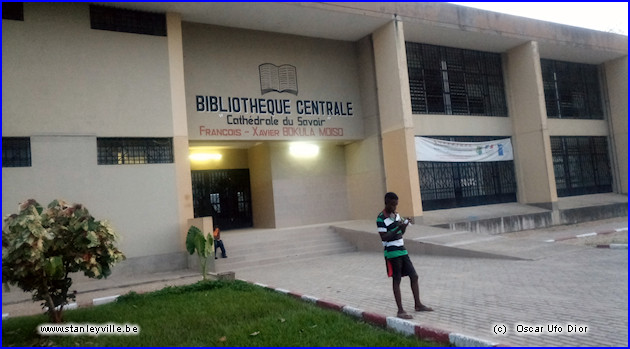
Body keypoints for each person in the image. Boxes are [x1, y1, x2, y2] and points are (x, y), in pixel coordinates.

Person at [377, 192, 433, 319]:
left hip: (402, 249)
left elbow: (401, 232)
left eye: (396, 205)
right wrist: (398, 228)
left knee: (414, 276)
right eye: (392, 205)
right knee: (397, 279)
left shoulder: (396, 215)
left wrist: (405, 225)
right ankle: (400, 310)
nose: (395, 208)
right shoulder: (380, 218)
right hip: (392, 252)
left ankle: (418, 304)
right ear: (386, 203)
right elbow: (384, 237)